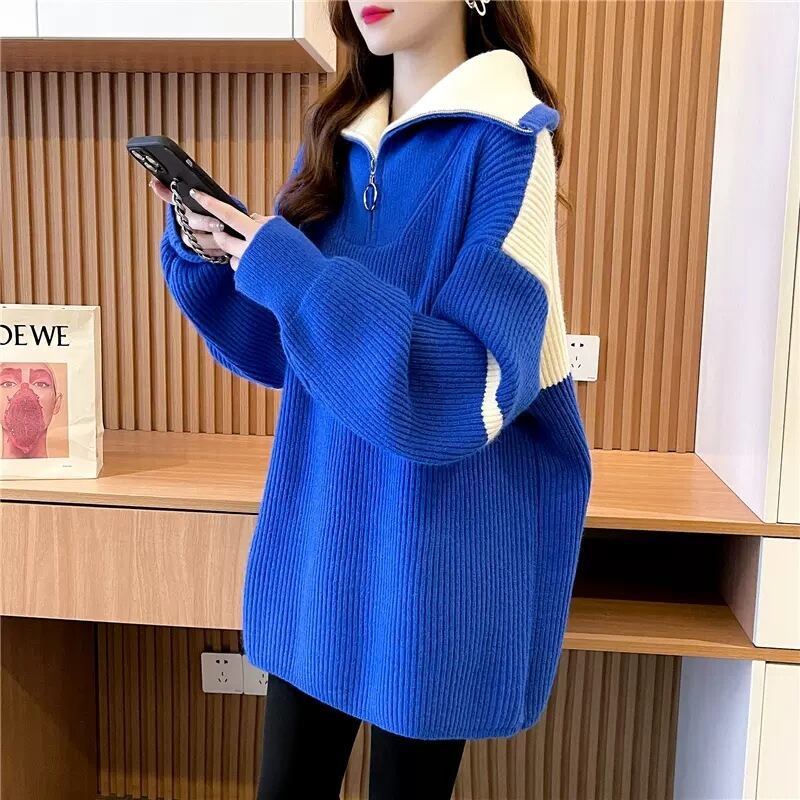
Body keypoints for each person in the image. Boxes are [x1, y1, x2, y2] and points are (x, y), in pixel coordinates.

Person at [151, 0, 592, 797]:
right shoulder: (336, 140)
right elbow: (290, 350)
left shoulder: (509, 143)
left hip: (437, 560)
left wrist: (292, 273)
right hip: (323, 539)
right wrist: (219, 255)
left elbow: (462, 387)